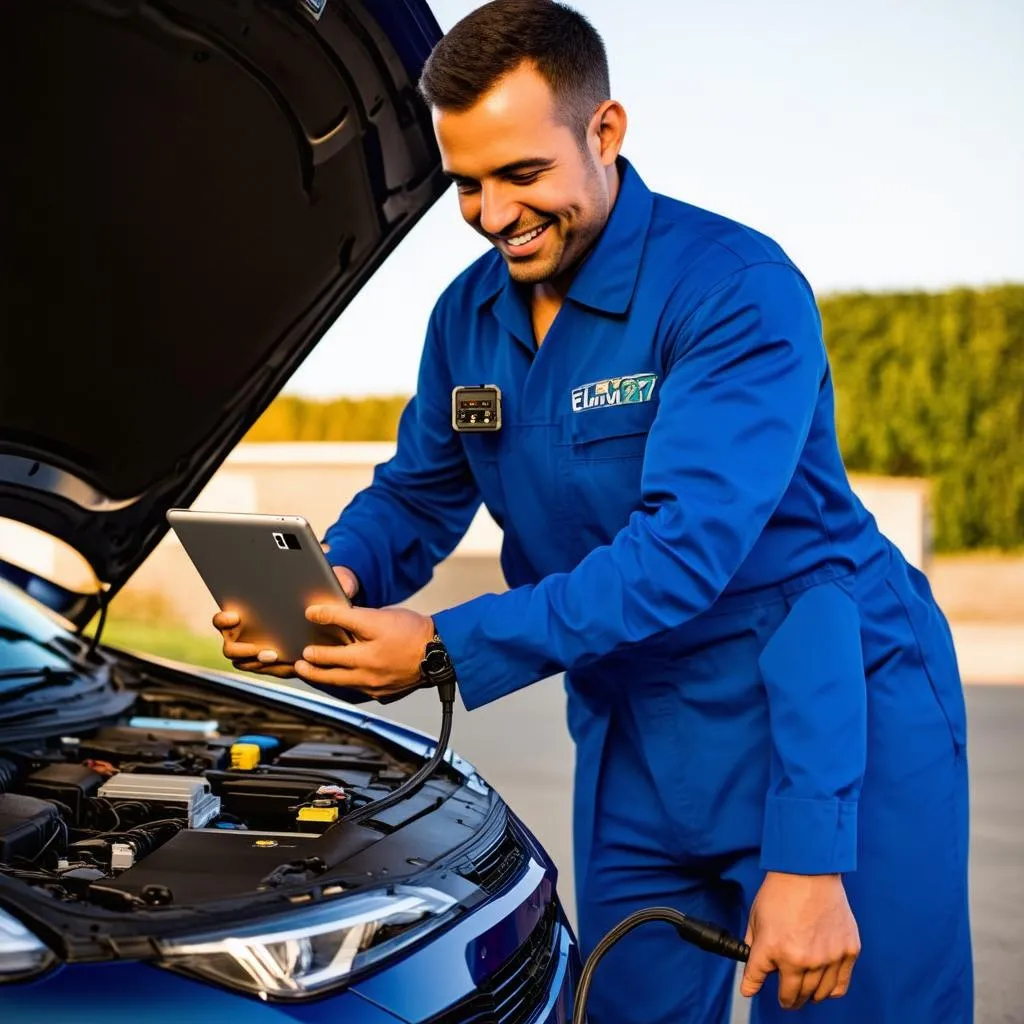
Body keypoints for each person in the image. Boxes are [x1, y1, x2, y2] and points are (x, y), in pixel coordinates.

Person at [214, 2, 973, 1020]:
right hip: (634, 728)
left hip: (827, 717)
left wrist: (440, 648)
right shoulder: (468, 318)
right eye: (466, 185)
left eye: (521, 175)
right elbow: (418, 489)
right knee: (622, 1003)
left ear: (605, 132)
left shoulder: (732, 290)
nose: (491, 214)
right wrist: (341, 574)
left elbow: (679, 552)